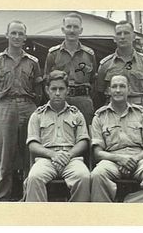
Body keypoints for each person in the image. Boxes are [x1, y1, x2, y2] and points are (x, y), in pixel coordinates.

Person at [0, 20, 42, 201]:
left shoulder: (33, 62)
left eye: (20, 34)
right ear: (7, 35)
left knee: (30, 156)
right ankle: (1, 199)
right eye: (14, 33)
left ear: (25, 37)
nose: (17, 37)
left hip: (29, 106)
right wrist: (4, 108)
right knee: (5, 159)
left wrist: (29, 106)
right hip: (5, 107)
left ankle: (29, 197)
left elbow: (39, 91)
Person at [91, 75, 143, 202]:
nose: (118, 90)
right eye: (114, 86)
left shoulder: (140, 113)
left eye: (122, 86)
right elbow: (97, 153)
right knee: (97, 175)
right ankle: (102, 217)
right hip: (112, 159)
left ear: (129, 90)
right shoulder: (100, 116)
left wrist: (134, 159)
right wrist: (119, 159)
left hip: (139, 158)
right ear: (108, 90)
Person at [25, 70, 91, 202]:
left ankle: (78, 218)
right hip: (46, 160)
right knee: (34, 177)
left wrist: (68, 155)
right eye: (53, 89)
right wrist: (53, 155)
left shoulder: (76, 114)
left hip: (71, 158)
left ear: (67, 90)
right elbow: (32, 144)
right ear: (47, 90)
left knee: (83, 177)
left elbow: (83, 141)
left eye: (61, 89)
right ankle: (36, 218)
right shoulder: (37, 115)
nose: (57, 93)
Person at [44, 12, 97, 125]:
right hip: (61, 100)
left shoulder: (89, 54)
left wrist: (85, 96)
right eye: (69, 26)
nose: (72, 30)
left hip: (83, 100)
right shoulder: (53, 54)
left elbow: (94, 81)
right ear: (63, 29)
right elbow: (47, 80)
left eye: (75, 27)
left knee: (85, 135)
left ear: (81, 30)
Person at [95, 20, 143, 108]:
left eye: (126, 33)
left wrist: (137, 105)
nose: (122, 37)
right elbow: (99, 92)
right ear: (114, 38)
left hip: (137, 110)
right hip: (113, 111)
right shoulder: (106, 64)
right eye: (119, 33)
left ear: (134, 37)